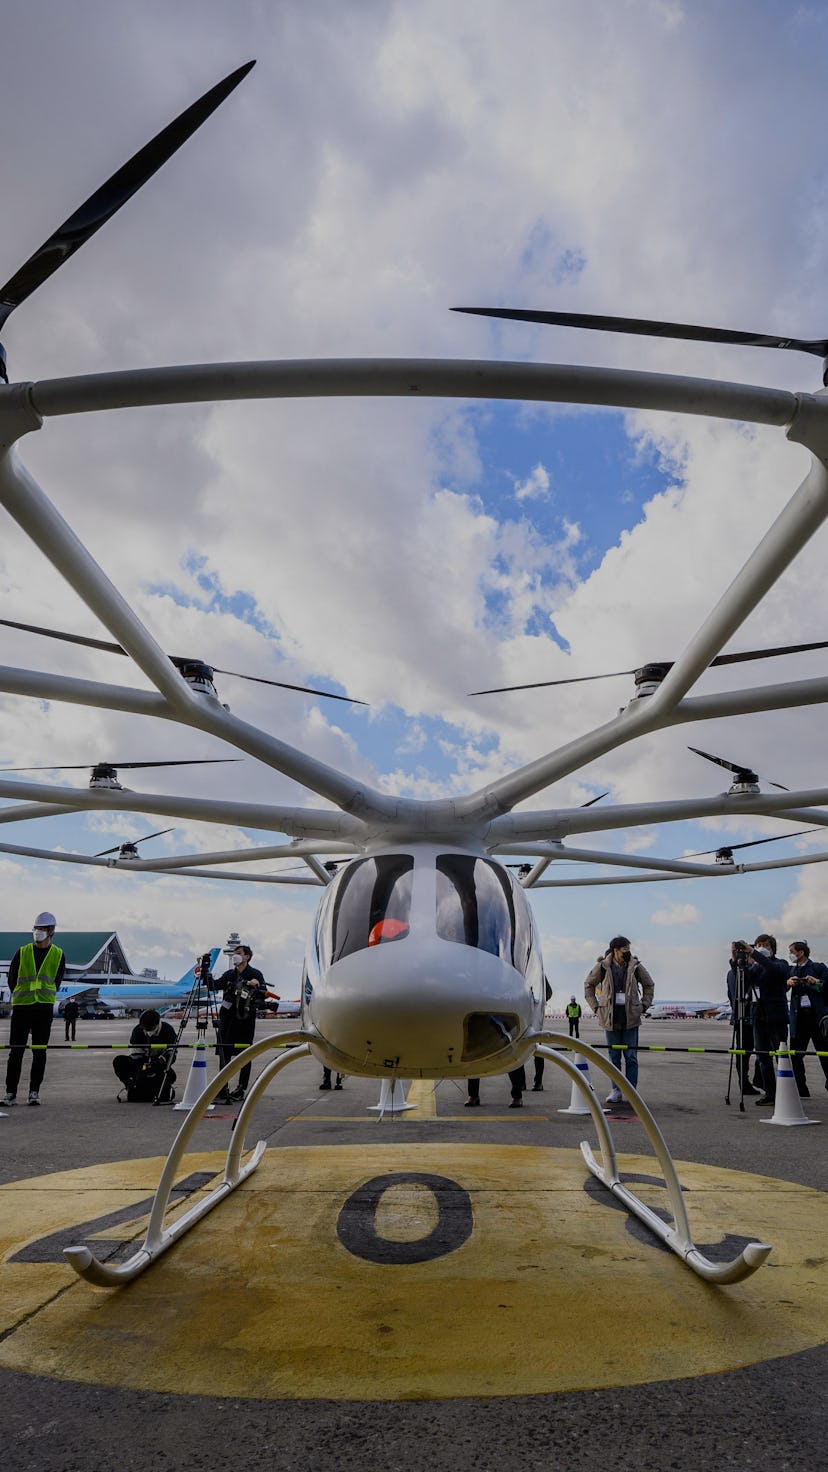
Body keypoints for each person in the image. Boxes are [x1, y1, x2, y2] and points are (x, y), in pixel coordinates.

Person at [2, 910, 65, 1106]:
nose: (37, 931)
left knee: (40, 1051)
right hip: (22, 1007)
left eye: (42, 929)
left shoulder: (58, 954)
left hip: (44, 1008)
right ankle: (10, 1093)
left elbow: (56, 980)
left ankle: (34, 1092)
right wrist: (21, 995)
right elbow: (12, 979)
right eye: (36, 928)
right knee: (16, 1051)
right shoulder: (22, 952)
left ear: (51, 931)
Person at [584, 935, 654, 1105]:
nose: (628, 952)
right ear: (616, 950)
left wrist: (643, 1006)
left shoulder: (636, 966)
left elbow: (649, 985)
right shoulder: (603, 966)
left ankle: (631, 1092)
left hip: (631, 1019)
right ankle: (615, 1090)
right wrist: (596, 1008)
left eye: (629, 949)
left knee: (631, 1057)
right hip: (610, 1019)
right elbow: (588, 985)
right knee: (614, 1057)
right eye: (625, 949)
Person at [738, 934, 789, 1106]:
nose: (761, 947)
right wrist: (740, 962)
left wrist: (754, 952)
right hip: (758, 1016)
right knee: (762, 1057)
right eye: (758, 944)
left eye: (764, 945)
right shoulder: (756, 967)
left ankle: (787, 1092)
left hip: (776, 1016)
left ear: (772, 948)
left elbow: (774, 970)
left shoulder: (781, 964)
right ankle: (771, 1094)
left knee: (781, 1056)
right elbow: (744, 982)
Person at [213, 942, 267, 1103]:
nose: (235, 955)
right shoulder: (229, 974)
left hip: (245, 1020)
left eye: (239, 953)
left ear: (247, 957)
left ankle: (241, 1088)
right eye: (234, 953)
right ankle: (222, 1087)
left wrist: (255, 987)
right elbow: (214, 986)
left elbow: (263, 994)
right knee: (224, 1053)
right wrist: (205, 974)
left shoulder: (255, 973)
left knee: (245, 1054)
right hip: (227, 1019)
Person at [786, 940, 828, 1097]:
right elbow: (782, 985)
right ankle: (801, 1089)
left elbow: (826, 985)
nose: (790, 955)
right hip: (799, 1018)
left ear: (800, 952)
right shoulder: (791, 971)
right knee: (796, 1055)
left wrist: (816, 982)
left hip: (817, 1018)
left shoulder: (818, 967)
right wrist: (788, 983)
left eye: (791, 951)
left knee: (824, 1054)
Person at [112, 1009, 177, 1102]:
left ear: (157, 1024)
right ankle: (130, 1086)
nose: (147, 1030)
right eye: (144, 1028)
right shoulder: (138, 1031)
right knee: (119, 1061)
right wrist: (143, 1069)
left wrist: (162, 1061)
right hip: (140, 1063)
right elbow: (136, 1055)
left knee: (171, 1076)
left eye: (149, 1028)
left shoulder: (168, 1030)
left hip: (159, 1065)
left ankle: (160, 1087)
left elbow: (172, 1054)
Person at [726, 946, 760, 1096]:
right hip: (750, 1016)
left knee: (742, 1053)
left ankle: (744, 1082)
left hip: (739, 1016)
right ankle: (756, 1081)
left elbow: (730, 994)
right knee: (760, 1051)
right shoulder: (750, 971)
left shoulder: (730, 973)